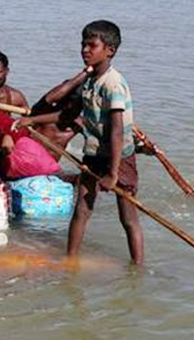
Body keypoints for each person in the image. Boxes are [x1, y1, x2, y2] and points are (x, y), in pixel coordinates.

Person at [15, 20, 141, 264]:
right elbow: (69, 115)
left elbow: (116, 131)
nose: (85, 50)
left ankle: (137, 268)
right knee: (82, 210)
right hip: (94, 154)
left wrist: (113, 174)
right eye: (83, 44)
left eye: (91, 45)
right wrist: (32, 120)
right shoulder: (90, 80)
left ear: (110, 50)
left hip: (119, 157)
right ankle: (70, 262)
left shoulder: (113, 84)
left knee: (128, 217)